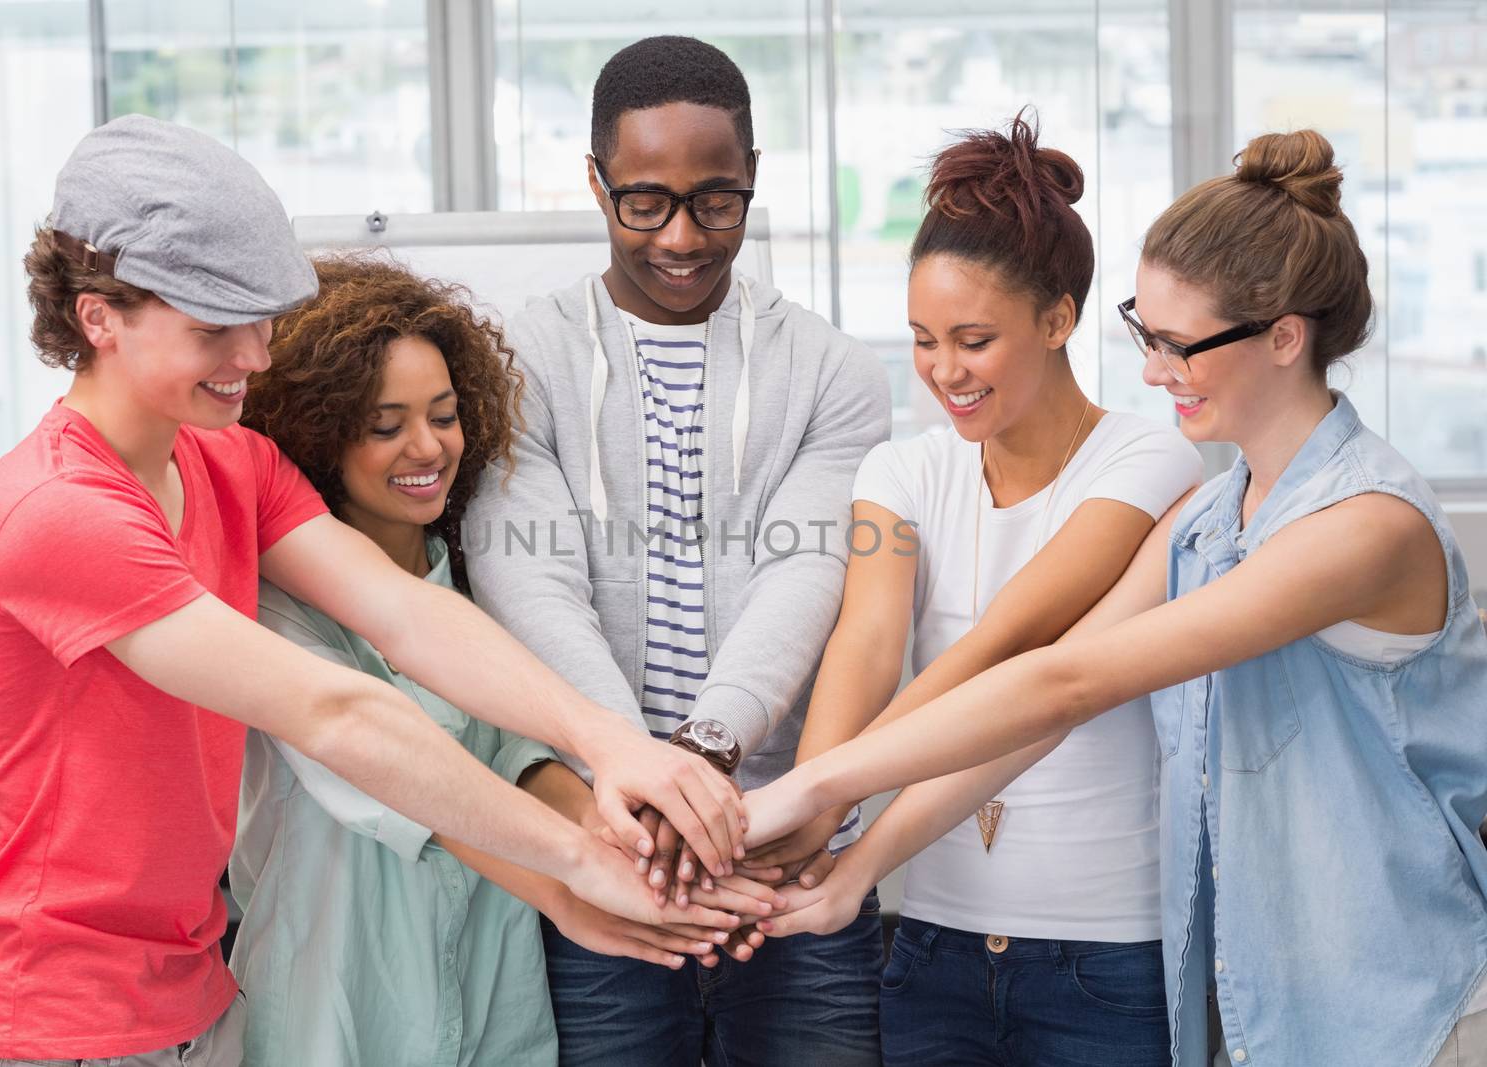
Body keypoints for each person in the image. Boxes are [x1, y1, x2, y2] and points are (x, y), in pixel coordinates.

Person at [0, 116, 745, 1067]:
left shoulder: (233, 463)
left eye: (261, 319)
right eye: (214, 329)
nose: (256, 357)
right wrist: (570, 861)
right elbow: (337, 708)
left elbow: (412, 615)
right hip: (48, 1028)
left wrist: (605, 739)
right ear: (98, 317)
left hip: (195, 1008)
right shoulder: (57, 510)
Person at [747, 129, 1487, 1067]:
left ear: (1284, 337)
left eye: (1178, 345)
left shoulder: (1364, 525)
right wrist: (855, 870)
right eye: (1147, 332)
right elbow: (1037, 716)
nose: (1149, 370)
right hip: (1269, 1010)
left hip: (1410, 1007)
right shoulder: (1207, 519)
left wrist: (816, 785)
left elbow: (1067, 680)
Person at [462, 35, 893, 1067]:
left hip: (786, 845)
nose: (683, 236)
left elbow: (807, 573)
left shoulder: (835, 371)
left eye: (717, 200)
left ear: (753, 182)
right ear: (596, 183)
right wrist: (636, 776)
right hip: (603, 842)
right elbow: (528, 577)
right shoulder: (515, 360)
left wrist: (701, 762)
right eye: (644, 200)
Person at [228, 256, 776, 1066]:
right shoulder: (273, 609)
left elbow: (516, 758)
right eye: (386, 425)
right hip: (337, 1005)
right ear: (319, 430)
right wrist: (568, 882)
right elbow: (396, 778)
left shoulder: (477, 583)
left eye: (444, 415)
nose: (428, 446)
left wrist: (639, 851)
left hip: (493, 1000)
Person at [745, 115, 1201, 1067]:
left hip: (1108, 956)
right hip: (934, 946)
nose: (944, 371)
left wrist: (832, 795)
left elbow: (1016, 639)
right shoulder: (895, 471)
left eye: (973, 339)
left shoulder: (1152, 457)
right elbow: (865, 642)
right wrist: (806, 806)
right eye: (921, 341)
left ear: (1059, 320)